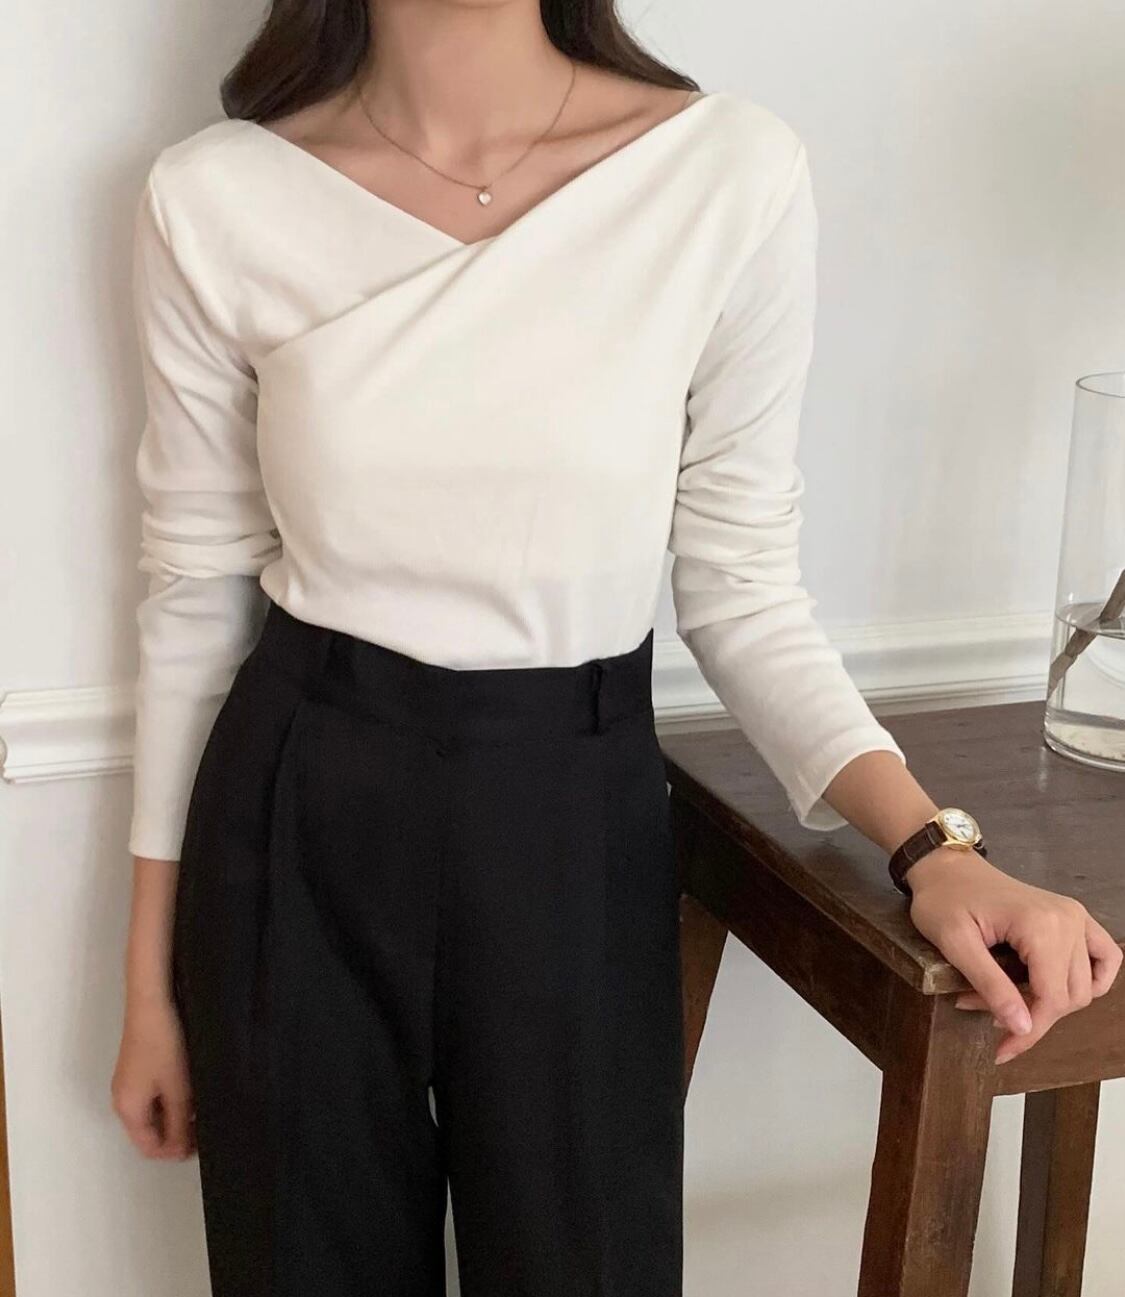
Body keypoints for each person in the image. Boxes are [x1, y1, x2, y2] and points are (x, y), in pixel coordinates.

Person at [110, 3, 1122, 1294]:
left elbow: (741, 588)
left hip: (573, 815)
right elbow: (195, 595)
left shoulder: (723, 176)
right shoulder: (215, 198)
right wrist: (149, 988)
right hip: (298, 811)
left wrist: (933, 847)